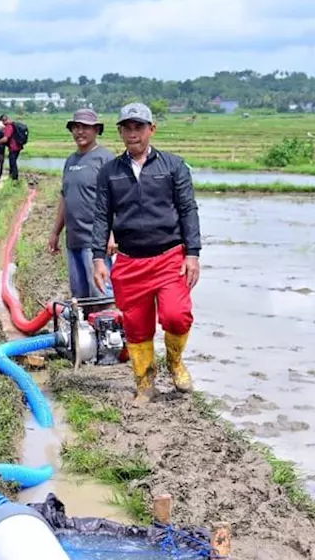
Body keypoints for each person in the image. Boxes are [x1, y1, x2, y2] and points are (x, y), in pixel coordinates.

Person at [90, 103, 202, 404]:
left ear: (152, 129)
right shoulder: (110, 172)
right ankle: (144, 382)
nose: (132, 133)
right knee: (136, 326)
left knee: (176, 315)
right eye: (127, 127)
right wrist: (98, 257)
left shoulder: (173, 166)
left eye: (139, 127)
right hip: (128, 260)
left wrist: (193, 253)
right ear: (120, 131)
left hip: (169, 257)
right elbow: (102, 216)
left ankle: (175, 363)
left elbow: (188, 209)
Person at [47, 108, 117, 299]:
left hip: (96, 242)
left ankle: (108, 328)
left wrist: (112, 234)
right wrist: (55, 232)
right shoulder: (71, 160)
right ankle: (85, 329)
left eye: (85, 127)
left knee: (102, 293)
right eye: (76, 127)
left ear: (96, 130)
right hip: (74, 240)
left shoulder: (105, 158)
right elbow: (65, 197)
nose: (79, 132)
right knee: (80, 297)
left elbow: (116, 199)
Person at [0, 113, 25, 181]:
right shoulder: (12, 124)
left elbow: (6, 139)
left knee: (12, 163)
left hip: (13, 147)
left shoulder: (9, 127)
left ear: (3, 121)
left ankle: (14, 178)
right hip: (18, 146)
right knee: (12, 162)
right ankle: (12, 176)